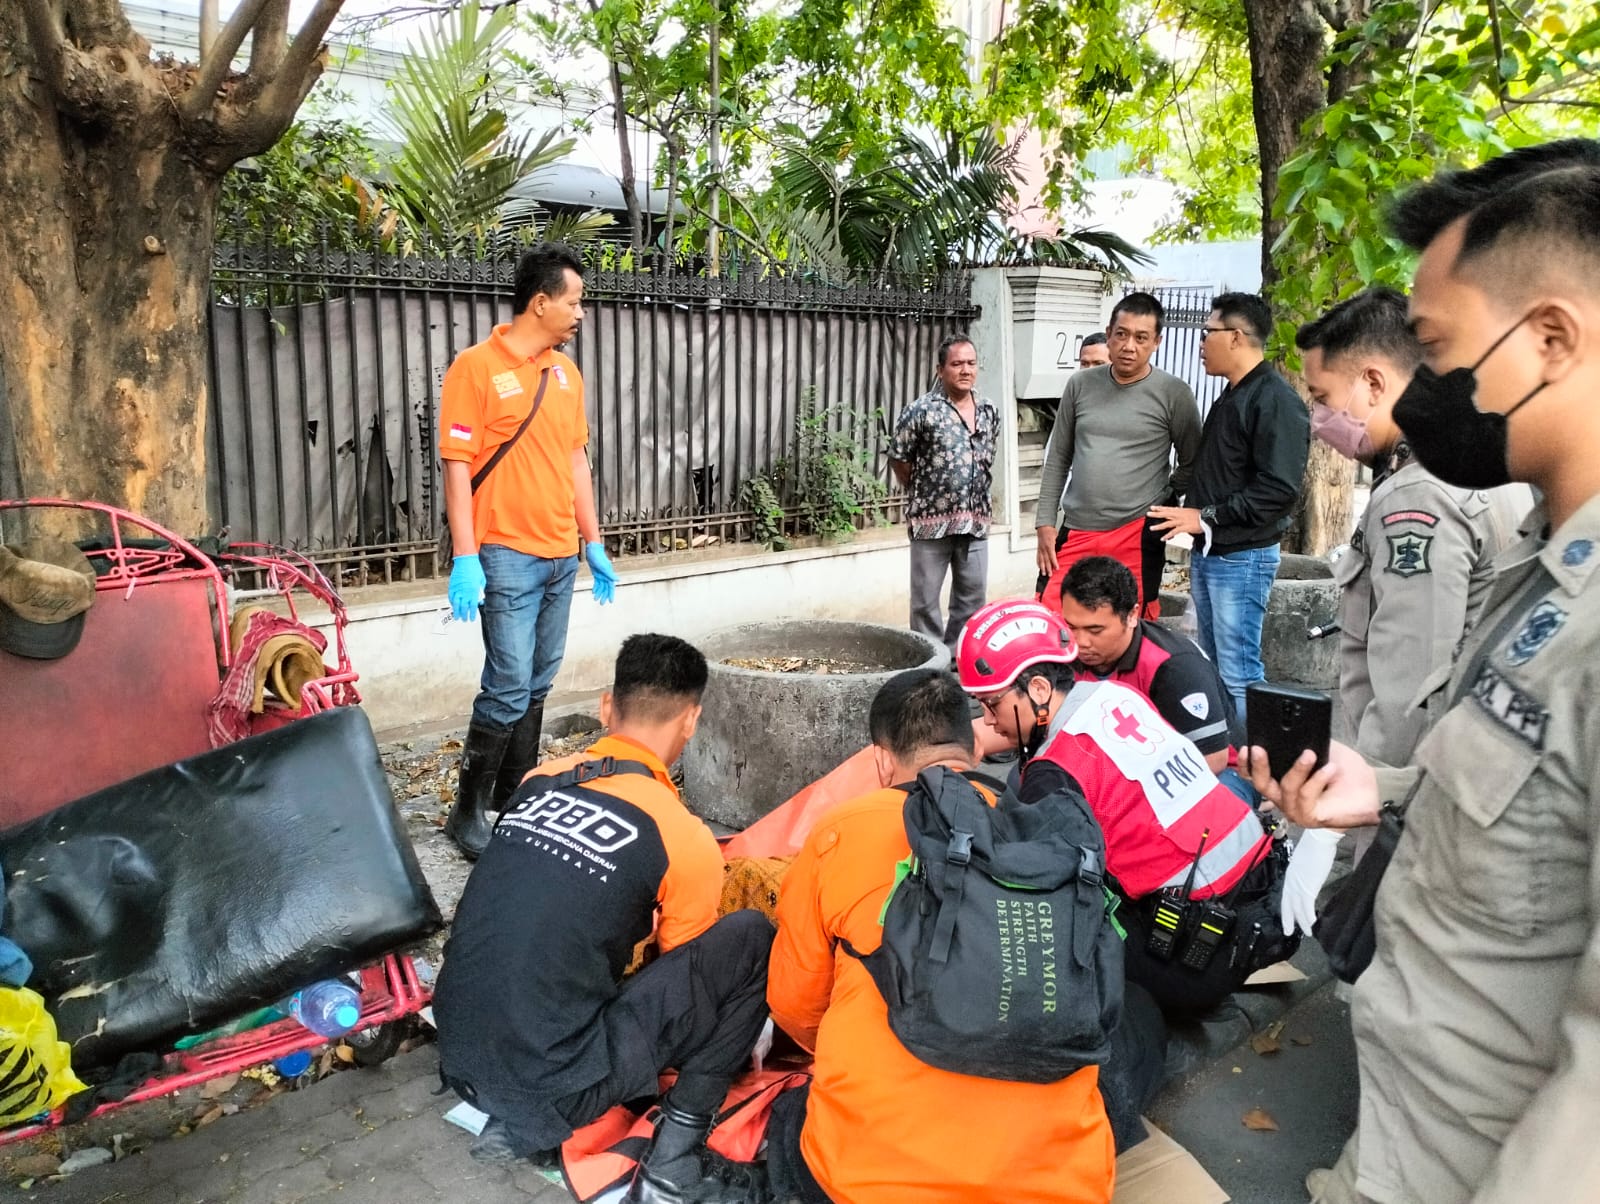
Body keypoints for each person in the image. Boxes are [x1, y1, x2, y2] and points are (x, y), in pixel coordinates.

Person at [1244, 140, 1600, 1204]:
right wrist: (1392, 789)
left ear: (1550, 338)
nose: (1421, 386)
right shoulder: (1549, 561)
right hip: (1410, 1131)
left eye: (1437, 351)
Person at [434, 634, 774, 1204]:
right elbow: (688, 977)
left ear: (606, 708)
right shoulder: (682, 835)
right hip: (554, 1085)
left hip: (458, 1049)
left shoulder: (539, 781)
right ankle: (677, 1155)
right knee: (750, 940)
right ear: (690, 722)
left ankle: (513, 1107)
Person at [766, 668, 1116, 1204]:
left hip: (867, 1180)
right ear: (973, 748)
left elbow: (796, 1004)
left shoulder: (843, 830)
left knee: (791, 1120)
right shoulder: (1044, 845)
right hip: (1062, 1185)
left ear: (882, 760)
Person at [957, 599, 1295, 1015]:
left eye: (991, 704)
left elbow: (1042, 883)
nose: (989, 721)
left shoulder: (1055, 772)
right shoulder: (1111, 694)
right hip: (1265, 902)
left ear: (1040, 689)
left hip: (1197, 957)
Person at [1296, 287, 1531, 768]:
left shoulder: (1416, 497)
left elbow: (1410, 693)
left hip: (1413, 788)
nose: (1318, 420)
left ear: (1374, 384)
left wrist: (1372, 807)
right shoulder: (1487, 461)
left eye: (1322, 398)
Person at [438, 243, 619, 861]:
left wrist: (592, 541)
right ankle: (467, 813)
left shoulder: (566, 374)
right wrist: (466, 556)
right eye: (574, 302)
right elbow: (457, 466)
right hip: (504, 553)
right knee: (508, 684)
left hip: (559, 553)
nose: (581, 314)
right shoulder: (475, 368)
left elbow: (576, 462)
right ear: (540, 302)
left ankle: (512, 798)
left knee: (537, 681)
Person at [1150, 292, 1310, 720]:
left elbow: (1278, 488)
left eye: (1208, 333)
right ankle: (1225, 763)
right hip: (1213, 553)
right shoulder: (1232, 395)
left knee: (1239, 674)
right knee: (1217, 669)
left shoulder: (1275, 400)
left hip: (1244, 556)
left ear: (1236, 337)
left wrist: (1204, 517)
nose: (1201, 342)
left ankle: (1246, 776)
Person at [1035, 292, 1202, 621]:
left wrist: (1165, 497)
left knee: (1130, 624)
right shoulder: (1080, 385)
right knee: (1051, 617)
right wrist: (1044, 522)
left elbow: (1193, 460)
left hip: (1137, 531)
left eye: (1141, 338)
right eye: (1122, 334)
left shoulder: (1174, 393)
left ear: (1157, 341)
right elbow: (1058, 457)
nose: (1129, 346)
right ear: (1109, 333)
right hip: (1077, 526)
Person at [1058, 556, 1236, 775]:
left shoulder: (1175, 667)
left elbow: (1213, 759)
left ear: (1132, 615)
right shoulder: (1062, 651)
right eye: (1071, 627)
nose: (1081, 642)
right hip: (1108, 766)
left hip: (1208, 774)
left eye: (1095, 631)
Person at [889, 335, 1000, 653]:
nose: (965, 370)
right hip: (931, 523)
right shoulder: (921, 411)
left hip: (976, 523)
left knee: (972, 599)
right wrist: (927, 492)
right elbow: (899, 457)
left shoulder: (989, 410)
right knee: (925, 602)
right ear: (940, 370)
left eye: (970, 363)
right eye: (956, 364)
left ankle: (957, 664)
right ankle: (931, 667)